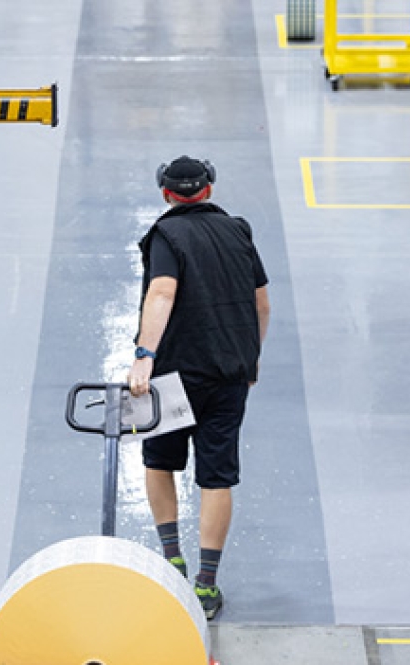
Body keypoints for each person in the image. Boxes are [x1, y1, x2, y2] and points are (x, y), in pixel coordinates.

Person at [127, 155, 270, 620]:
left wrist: (144, 355)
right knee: (217, 476)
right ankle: (206, 585)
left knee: (159, 462)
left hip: (174, 374)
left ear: (165, 193)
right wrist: (251, 356)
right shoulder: (239, 231)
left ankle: (173, 562)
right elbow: (261, 304)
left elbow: (161, 292)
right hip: (229, 372)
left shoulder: (165, 235)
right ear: (209, 188)